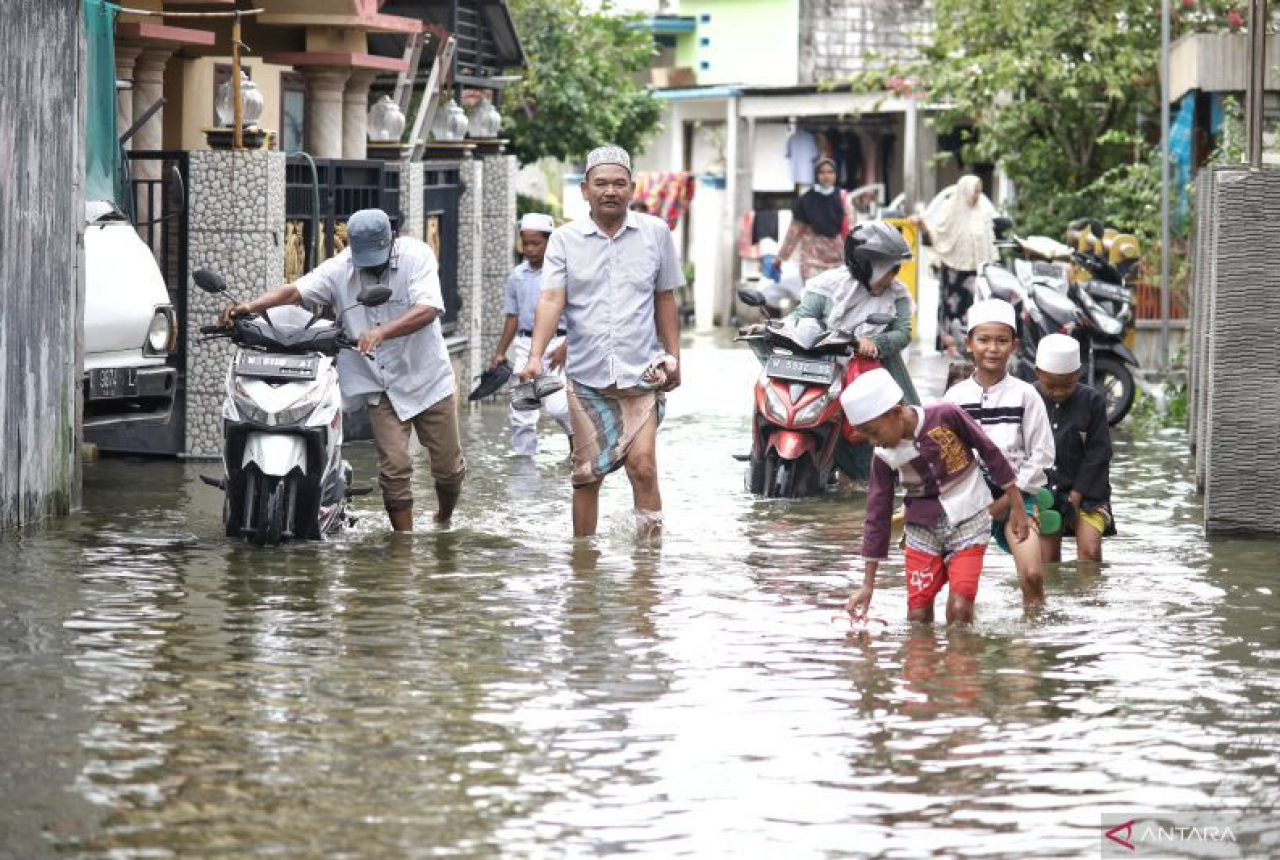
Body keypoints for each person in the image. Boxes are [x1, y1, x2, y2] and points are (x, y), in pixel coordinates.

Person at [220, 208, 465, 532]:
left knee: (448, 469)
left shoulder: (416, 257)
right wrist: (251, 307)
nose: (370, 267)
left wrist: (381, 331)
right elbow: (297, 291)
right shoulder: (342, 266)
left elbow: (429, 309)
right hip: (379, 384)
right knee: (394, 469)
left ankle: (443, 519)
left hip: (426, 377)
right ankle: (403, 547)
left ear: (390, 240)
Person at [517, 145, 684, 538]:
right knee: (587, 476)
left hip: (642, 373)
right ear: (585, 190)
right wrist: (536, 356)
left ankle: (648, 563)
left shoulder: (656, 233)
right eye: (602, 184)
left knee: (643, 466)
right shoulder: (564, 240)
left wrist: (675, 357)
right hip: (587, 378)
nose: (611, 191)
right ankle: (583, 566)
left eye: (619, 184)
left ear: (632, 189)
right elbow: (552, 298)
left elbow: (665, 298)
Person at [842, 368, 1030, 625]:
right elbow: (877, 515)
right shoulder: (883, 457)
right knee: (918, 615)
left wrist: (1017, 506)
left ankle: (961, 661)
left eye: (874, 433)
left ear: (897, 413)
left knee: (960, 609)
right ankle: (922, 663)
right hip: (922, 531)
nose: (874, 442)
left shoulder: (946, 415)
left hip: (970, 520)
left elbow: (990, 452)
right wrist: (868, 584)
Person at [766, 220, 921, 483]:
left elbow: (903, 332)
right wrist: (774, 328)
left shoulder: (898, 294)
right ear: (867, 265)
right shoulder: (828, 286)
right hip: (825, 370)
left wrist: (876, 344)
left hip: (879, 370)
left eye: (895, 269)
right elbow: (803, 316)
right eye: (888, 269)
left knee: (907, 433)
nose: (893, 276)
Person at [943, 299, 1055, 605]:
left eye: (1002, 341)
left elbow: (1042, 454)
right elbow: (944, 454)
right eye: (984, 340)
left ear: (1014, 346)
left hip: (1018, 498)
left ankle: (1034, 635)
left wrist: (1010, 499)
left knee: (1032, 575)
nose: (993, 348)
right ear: (969, 344)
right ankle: (964, 643)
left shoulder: (1026, 394)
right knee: (961, 591)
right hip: (968, 502)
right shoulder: (955, 398)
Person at [490, 213, 572, 456]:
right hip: (526, 346)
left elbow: (580, 316)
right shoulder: (517, 275)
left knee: (558, 407)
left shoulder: (562, 274)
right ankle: (524, 467)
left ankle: (579, 444)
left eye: (536, 243)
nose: (529, 249)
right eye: (525, 243)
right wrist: (500, 352)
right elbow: (512, 317)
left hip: (559, 344)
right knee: (522, 411)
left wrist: (566, 347)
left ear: (549, 242)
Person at [1033, 334, 1115, 564]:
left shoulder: (1092, 401)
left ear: (1078, 375)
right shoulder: (1027, 398)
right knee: (1046, 561)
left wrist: (1077, 495)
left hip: (1088, 493)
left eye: (1067, 385)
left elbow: (1099, 453)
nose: (1058, 392)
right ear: (1037, 372)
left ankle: (1089, 599)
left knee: (1090, 553)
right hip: (1043, 494)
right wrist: (1032, 496)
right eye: (1051, 385)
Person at [916, 175, 999, 356]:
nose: (977, 195)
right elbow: (936, 235)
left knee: (971, 307)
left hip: (973, 270)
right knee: (951, 307)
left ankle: (966, 343)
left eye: (979, 191)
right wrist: (922, 226)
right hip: (953, 269)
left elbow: (988, 241)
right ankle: (949, 344)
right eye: (974, 191)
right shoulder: (950, 210)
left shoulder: (982, 212)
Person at [767, 157, 855, 282]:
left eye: (830, 172)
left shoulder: (843, 199)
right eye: (822, 172)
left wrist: (856, 256)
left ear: (836, 175)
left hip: (837, 262)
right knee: (814, 298)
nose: (826, 176)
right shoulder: (805, 200)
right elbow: (794, 233)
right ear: (816, 175)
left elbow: (852, 229)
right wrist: (780, 258)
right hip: (811, 262)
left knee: (835, 299)